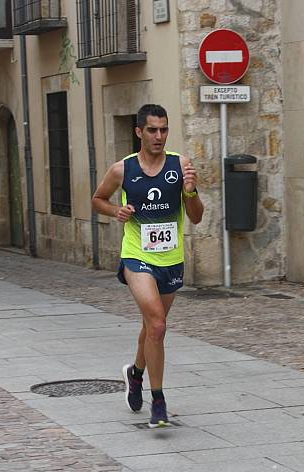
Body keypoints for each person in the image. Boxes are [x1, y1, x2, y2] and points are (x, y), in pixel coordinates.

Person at [91, 104, 204, 428]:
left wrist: (191, 191)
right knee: (157, 326)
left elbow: (196, 216)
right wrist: (116, 212)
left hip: (171, 259)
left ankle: (136, 374)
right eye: (152, 130)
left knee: (151, 327)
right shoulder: (122, 169)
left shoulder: (180, 165)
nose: (159, 136)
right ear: (139, 131)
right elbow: (98, 199)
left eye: (164, 129)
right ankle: (159, 401)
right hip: (137, 256)